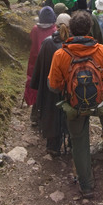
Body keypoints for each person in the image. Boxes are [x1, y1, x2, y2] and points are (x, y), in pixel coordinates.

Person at [48, 10, 103, 199]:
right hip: (99, 100)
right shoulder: (102, 50)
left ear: (70, 30)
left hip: (74, 105)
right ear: (90, 29)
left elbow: (53, 86)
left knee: (79, 141)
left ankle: (86, 185)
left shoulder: (61, 54)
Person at [30, 13, 71, 156]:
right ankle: (71, 143)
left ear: (57, 26)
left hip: (49, 87)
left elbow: (39, 66)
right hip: (67, 88)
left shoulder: (47, 42)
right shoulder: (71, 44)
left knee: (50, 114)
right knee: (67, 114)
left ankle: (52, 146)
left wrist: (36, 83)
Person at [23, 6, 57, 123]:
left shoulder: (35, 29)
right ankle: (45, 115)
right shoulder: (54, 30)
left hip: (35, 61)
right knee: (48, 86)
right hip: (49, 62)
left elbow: (31, 41)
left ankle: (35, 114)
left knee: (36, 84)